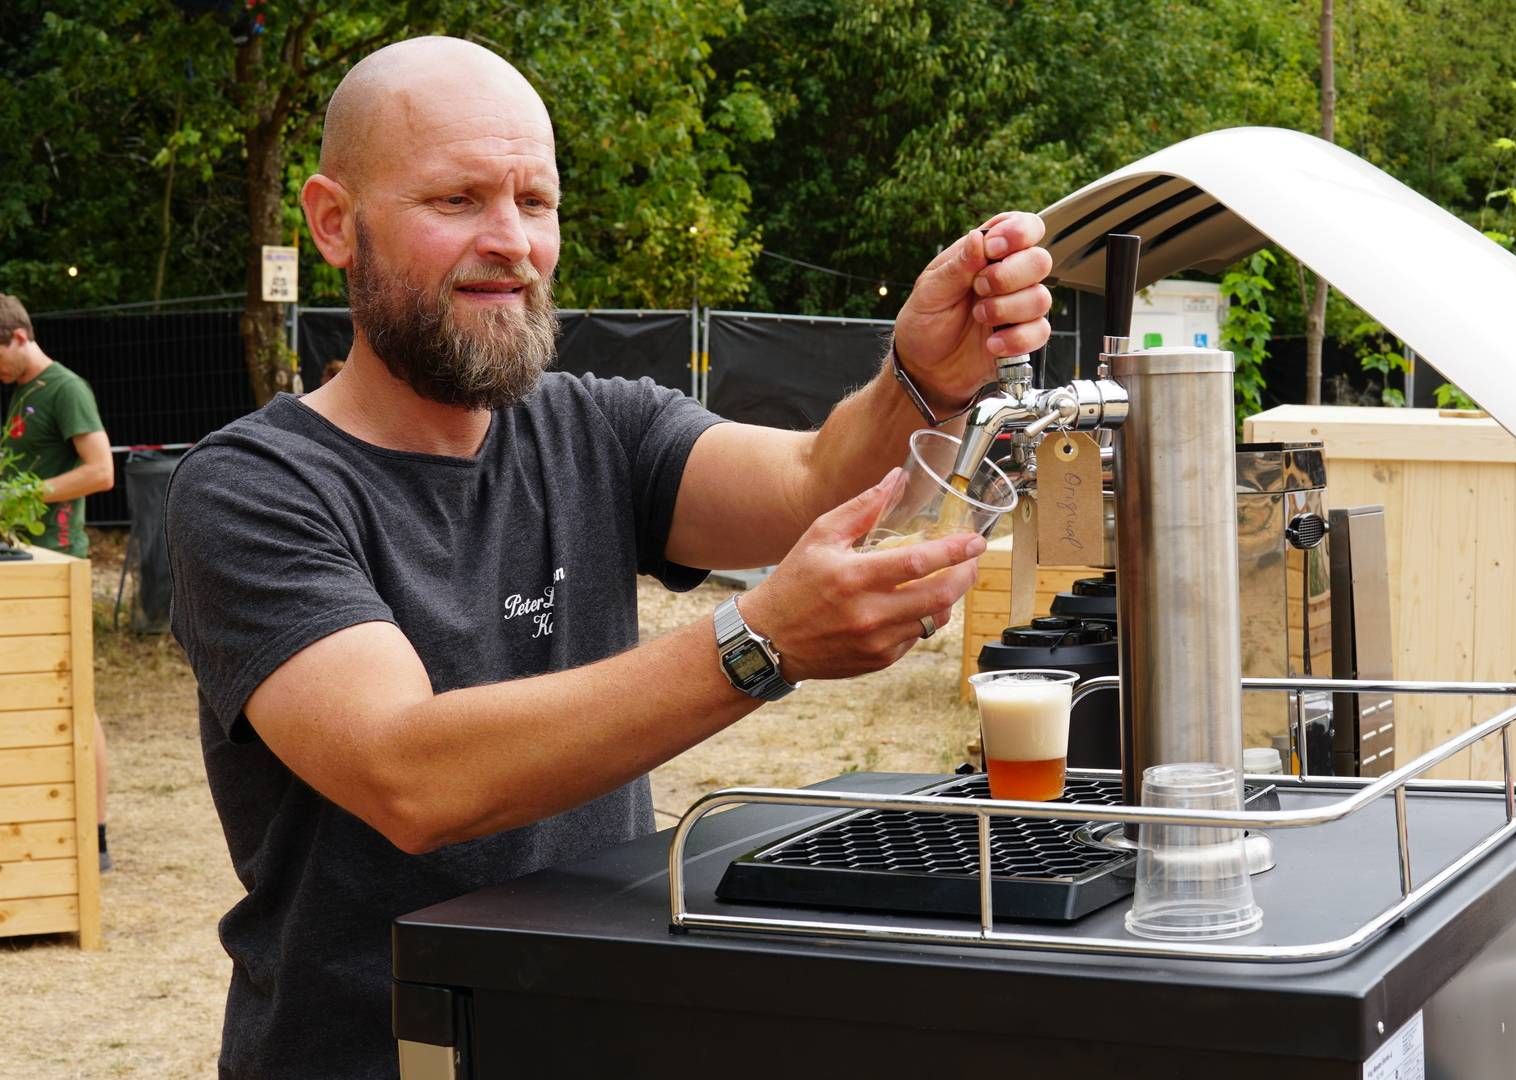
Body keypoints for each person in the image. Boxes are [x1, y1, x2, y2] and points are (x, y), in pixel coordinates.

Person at [164, 36, 1054, 1080]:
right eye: (456, 200)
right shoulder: (253, 487)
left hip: (599, 1027)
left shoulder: (596, 428)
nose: (512, 243)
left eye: (534, 202)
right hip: (378, 1055)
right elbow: (409, 774)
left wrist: (924, 377)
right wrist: (756, 644)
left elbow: (819, 482)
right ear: (332, 222)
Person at [0, 293, 116, 872]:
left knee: (79, 700)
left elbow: (101, 471)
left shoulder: (66, 387)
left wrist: (18, 496)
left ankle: (94, 838)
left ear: (19, 337)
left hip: (59, 561)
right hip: (26, 562)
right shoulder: (25, 391)